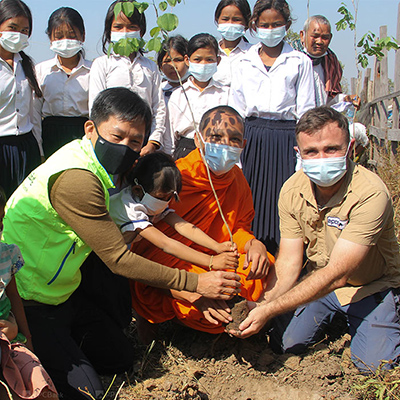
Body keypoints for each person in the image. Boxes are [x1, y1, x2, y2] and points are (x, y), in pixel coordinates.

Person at [2, 88, 241, 400]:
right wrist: (196, 282)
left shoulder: (103, 166)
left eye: (135, 142)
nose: (125, 147)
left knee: (120, 358)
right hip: (32, 297)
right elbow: (118, 258)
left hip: (64, 290)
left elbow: (171, 222)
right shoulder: (78, 178)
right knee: (90, 392)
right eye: (117, 136)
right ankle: (42, 350)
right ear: (91, 129)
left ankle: (66, 342)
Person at [230, 106, 400, 374]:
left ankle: (383, 314)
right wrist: (261, 305)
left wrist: (270, 309)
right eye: (311, 152)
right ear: (298, 153)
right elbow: (288, 261)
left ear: (350, 147)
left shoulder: (371, 193)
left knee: (375, 367)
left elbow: (338, 274)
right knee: (283, 345)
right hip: (322, 284)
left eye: (331, 149)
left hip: (369, 287)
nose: (322, 158)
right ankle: (336, 319)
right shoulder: (292, 189)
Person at [131, 105, 274, 335]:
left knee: (264, 262)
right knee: (215, 291)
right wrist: (193, 291)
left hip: (213, 256)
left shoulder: (237, 180)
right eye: (216, 137)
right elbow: (144, 243)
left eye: (234, 139)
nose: (225, 145)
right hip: (169, 262)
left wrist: (252, 244)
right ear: (198, 140)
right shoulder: (177, 177)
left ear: (243, 145)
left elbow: (234, 229)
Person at [229, 0, 315, 255]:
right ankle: (249, 267)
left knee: (284, 202)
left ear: (287, 25)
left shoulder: (300, 61)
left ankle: (283, 266)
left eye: (276, 24)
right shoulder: (243, 62)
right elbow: (235, 110)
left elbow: (307, 112)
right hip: (252, 138)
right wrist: (236, 151)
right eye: (264, 24)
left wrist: (303, 155)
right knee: (248, 201)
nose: (270, 29)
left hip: (285, 141)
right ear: (254, 26)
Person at [110, 152, 239, 271]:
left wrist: (216, 246)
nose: (165, 202)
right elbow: (166, 244)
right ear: (138, 190)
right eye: (161, 197)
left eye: (169, 197)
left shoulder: (149, 200)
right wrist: (211, 261)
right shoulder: (130, 209)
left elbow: (183, 226)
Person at [0, 186, 58, 400]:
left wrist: (27, 339)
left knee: (37, 381)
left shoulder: (6, 254)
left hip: (11, 338)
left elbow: (14, 298)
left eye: (0, 220)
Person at [89, 0, 166, 156]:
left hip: (142, 141)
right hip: (113, 141)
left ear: (142, 31)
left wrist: (152, 142)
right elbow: (95, 107)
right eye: (118, 27)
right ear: (109, 30)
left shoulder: (150, 67)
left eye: (132, 27)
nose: (125, 31)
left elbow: (159, 108)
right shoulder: (102, 64)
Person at [33, 7, 91, 159]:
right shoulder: (41, 71)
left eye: (72, 36)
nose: (65, 41)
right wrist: (39, 149)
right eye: (59, 36)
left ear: (83, 36)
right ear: (50, 38)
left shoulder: (94, 70)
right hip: (51, 135)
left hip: (82, 135)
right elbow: (34, 114)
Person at [0, 0, 42, 199]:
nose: (19, 34)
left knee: (23, 207)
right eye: (12, 28)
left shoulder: (25, 65)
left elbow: (32, 112)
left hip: (26, 148)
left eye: (25, 30)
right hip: (1, 147)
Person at [169, 33, 229, 160]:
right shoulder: (178, 95)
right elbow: (170, 137)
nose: (203, 64)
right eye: (197, 59)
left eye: (209, 59)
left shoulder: (226, 93)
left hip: (216, 151)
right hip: (185, 151)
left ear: (217, 61)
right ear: (187, 60)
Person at [298, 15, 360, 108]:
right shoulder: (291, 60)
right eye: (315, 36)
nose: (319, 41)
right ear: (303, 36)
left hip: (318, 120)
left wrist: (347, 99)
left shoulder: (330, 62)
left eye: (324, 37)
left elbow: (330, 99)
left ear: (330, 38)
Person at [156, 35, 189, 155]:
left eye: (178, 60)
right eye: (167, 61)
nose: (173, 65)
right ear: (160, 65)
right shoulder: (157, 90)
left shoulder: (192, 90)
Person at [213, 0, 252, 86]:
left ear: (246, 22)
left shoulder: (254, 53)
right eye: (225, 19)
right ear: (217, 20)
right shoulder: (210, 53)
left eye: (236, 20)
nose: (230, 24)